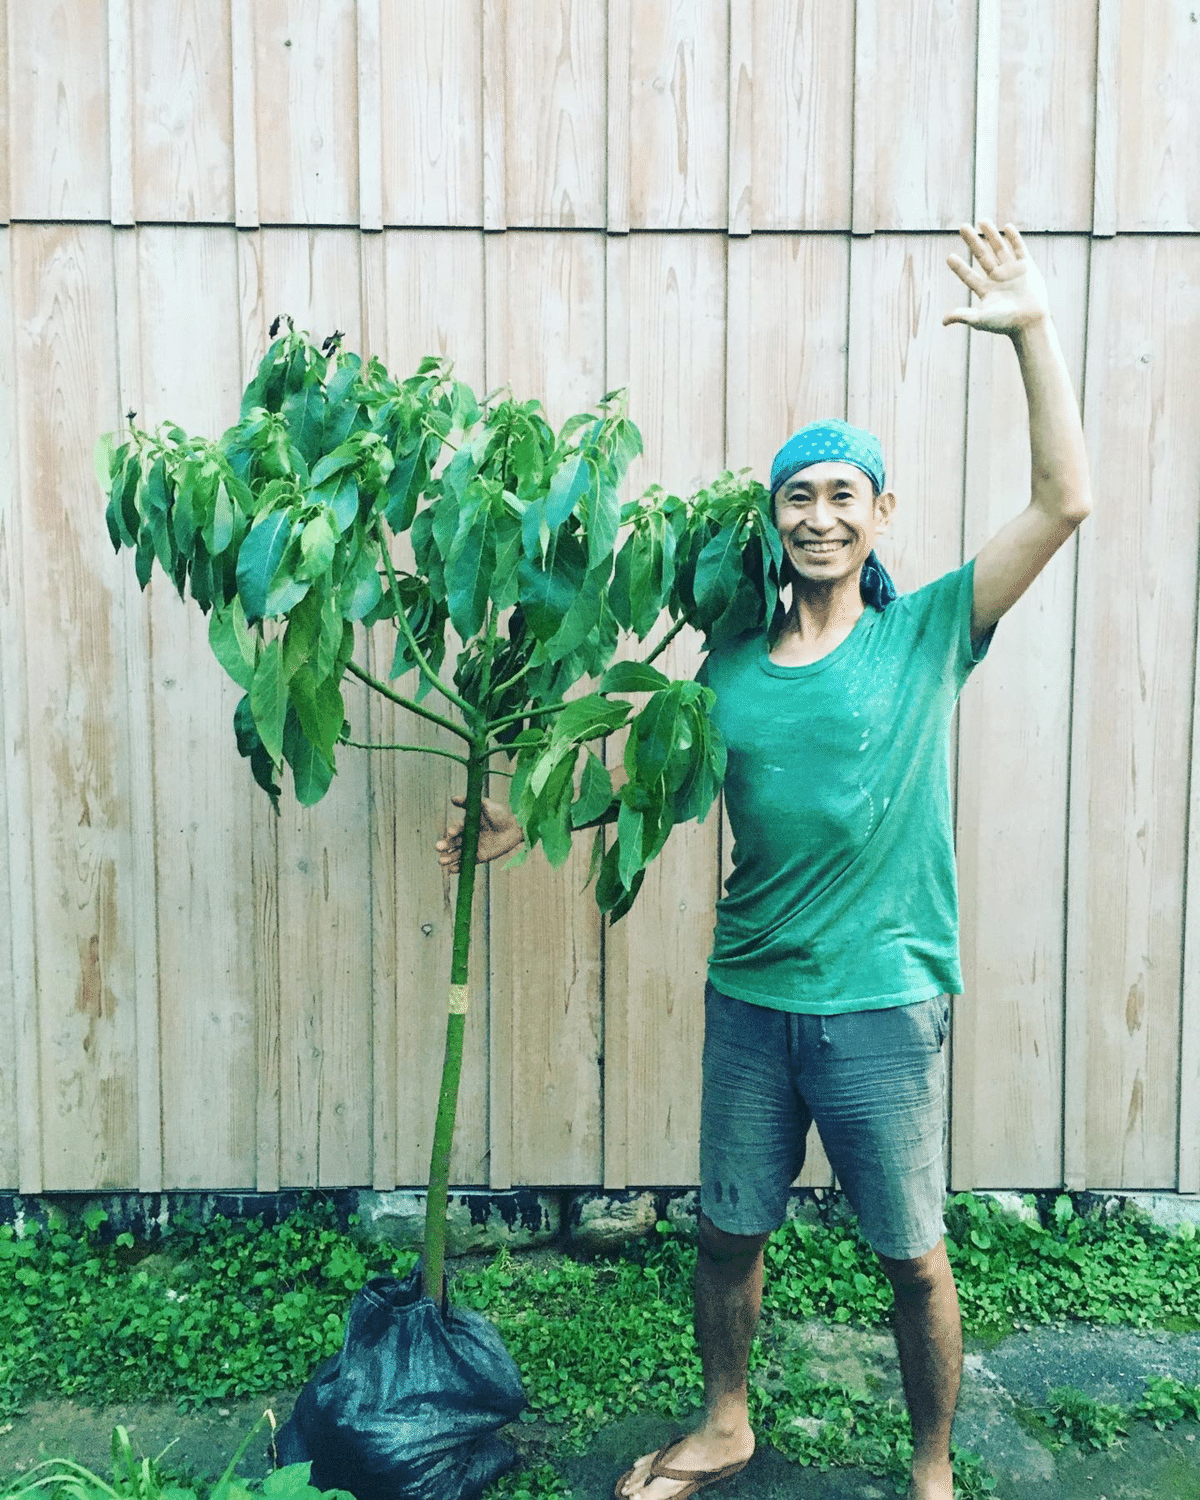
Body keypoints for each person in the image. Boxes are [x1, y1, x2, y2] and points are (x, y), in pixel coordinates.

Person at [436, 222, 1091, 1500]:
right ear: (774, 520)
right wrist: (526, 820)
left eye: (845, 493)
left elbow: (1066, 500)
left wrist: (1029, 330)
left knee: (911, 1256)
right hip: (751, 1000)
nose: (820, 514)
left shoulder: (929, 634)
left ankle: (934, 1469)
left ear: (880, 514)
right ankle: (727, 1422)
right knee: (729, 1235)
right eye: (799, 494)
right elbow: (649, 768)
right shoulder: (728, 664)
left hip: (884, 1007)